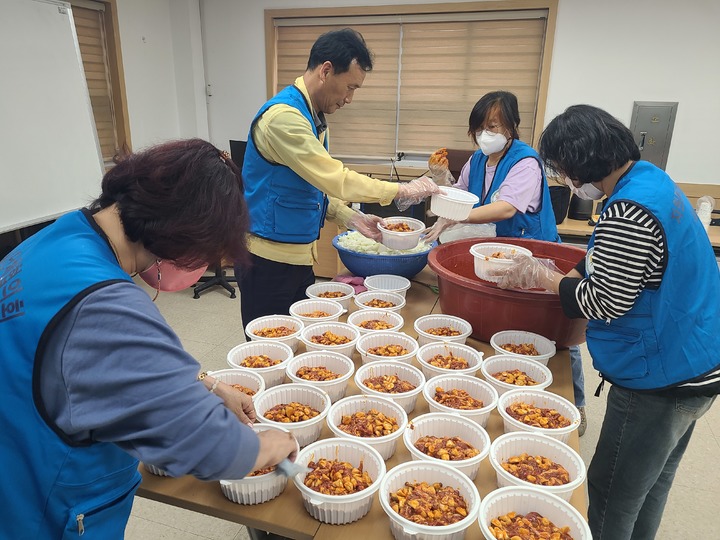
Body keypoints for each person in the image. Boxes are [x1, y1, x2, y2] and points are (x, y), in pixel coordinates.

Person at [0, 139, 298, 539]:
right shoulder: (104, 305)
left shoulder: (56, 239)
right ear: (184, 234)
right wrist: (271, 445)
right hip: (41, 508)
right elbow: (212, 448)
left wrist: (207, 384)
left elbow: (87, 365)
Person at [498, 104, 720, 539]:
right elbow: (608, 258)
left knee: (612, 493)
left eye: (562, 169)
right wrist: (569, 270)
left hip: (660, 377)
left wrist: (547, 279)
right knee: (651, 486)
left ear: (582, 160)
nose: (565, 180)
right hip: (698, 358)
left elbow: (605, 302)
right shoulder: (650, 179)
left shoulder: (627, 210)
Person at [238, 28, 439, 329]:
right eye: (349, 87)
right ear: (326, 70)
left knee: (302, 347)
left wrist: (350, 217)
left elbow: (311, 185)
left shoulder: (315, 117)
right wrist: (401, 189)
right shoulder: (284, 118)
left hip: (299, 257)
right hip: (268, 261)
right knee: (268, 355)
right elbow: (336, 179)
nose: (349, 99)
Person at [423, 90, 587, 433]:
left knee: (555, 328)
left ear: (512, 127)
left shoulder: (526, 162)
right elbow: (464, 195)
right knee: (504, 317)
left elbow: (506, 207)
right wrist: (442, 188)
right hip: (495, 252)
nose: (485, 133)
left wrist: (456, 216)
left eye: (493, 125)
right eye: (480, 127)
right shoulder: (478, 161)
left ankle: (577, 401)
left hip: (535, 253)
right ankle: (509, 386)